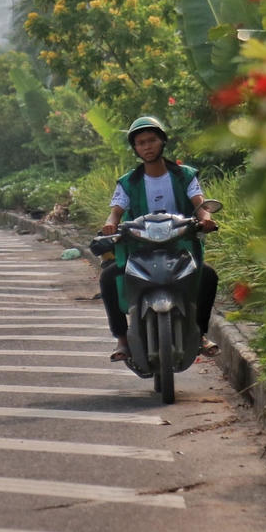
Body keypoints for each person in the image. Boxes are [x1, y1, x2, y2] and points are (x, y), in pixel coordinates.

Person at [98, 117, 220, 370]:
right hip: (139, 249)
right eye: (141, 143)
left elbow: (200, 204)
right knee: (109, 277)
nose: (147, 146)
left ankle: (200, 334)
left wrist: (206, 219)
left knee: (208, 276)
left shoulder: (184, 175)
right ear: (135, 149)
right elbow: (116, 211)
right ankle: (122, 339)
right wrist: (110, 224)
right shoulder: (128, 181)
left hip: (180, 247)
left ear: (162, 141)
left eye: (152, 140)